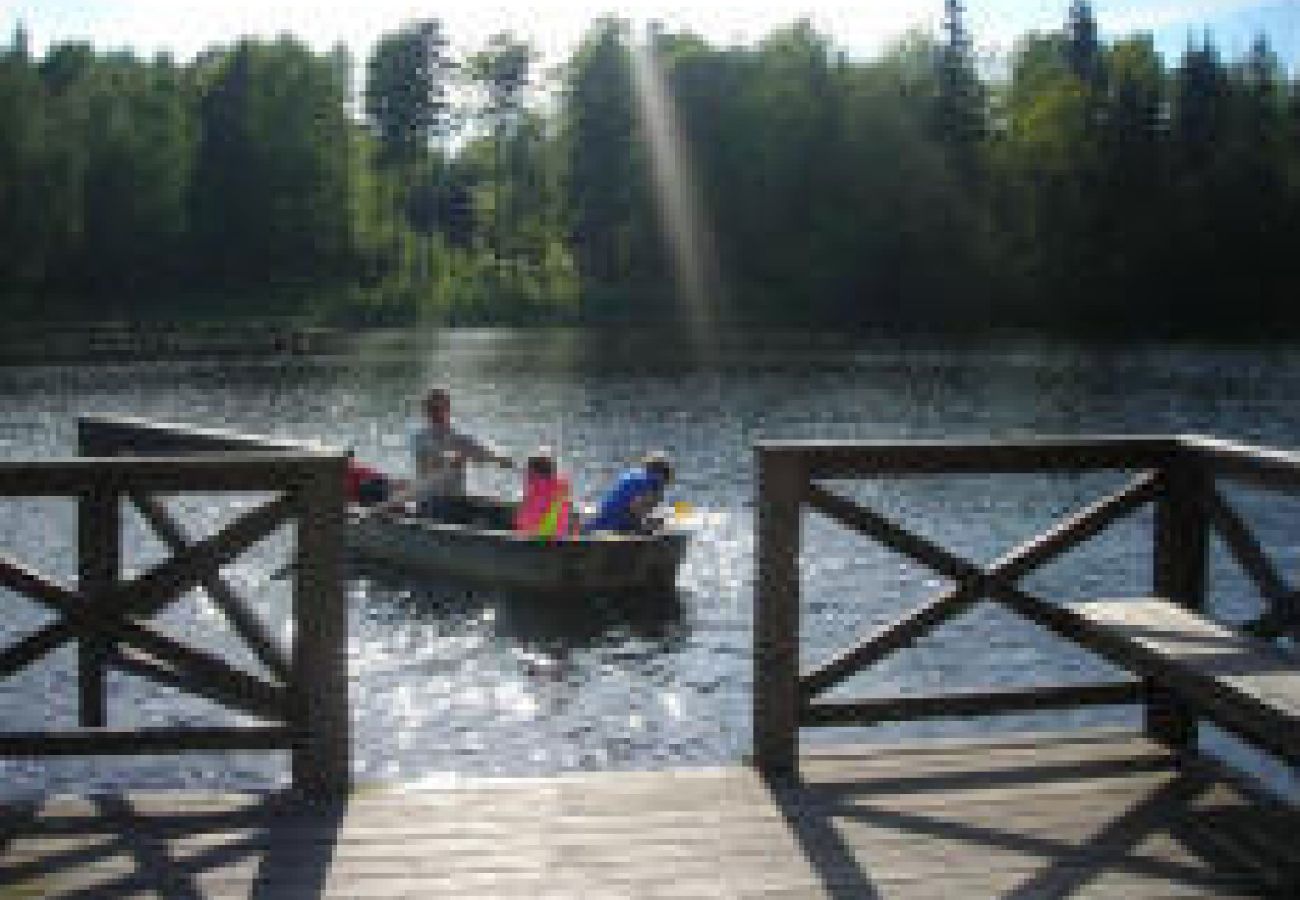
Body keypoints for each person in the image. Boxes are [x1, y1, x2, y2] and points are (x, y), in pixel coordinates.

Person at [380, 387, 514, 522]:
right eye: (432, 410)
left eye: (440, 409)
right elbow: (435, 456)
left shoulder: (458, 438)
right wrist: (452, 457)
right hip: (431, 503)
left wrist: (502, 460)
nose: (437, 414)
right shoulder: (420, 439)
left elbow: (483, 452)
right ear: (426, 413)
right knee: (451, 511)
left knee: (497, 509)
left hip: (456, 499)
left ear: (448, 410)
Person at [583, 451, 673, 535]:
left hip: (599, 518)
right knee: (656, 524)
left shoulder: (633, 473)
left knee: (653, 522)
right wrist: (646, 525)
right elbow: (634, 507)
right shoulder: (653, 483)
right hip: (617, 521)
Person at [514, 448, 577, 538]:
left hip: (538, 543)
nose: (527, 477)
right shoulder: (557, 490)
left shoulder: (540, 492)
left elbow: (545, 531)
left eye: (529, 473)